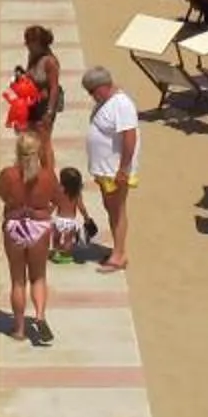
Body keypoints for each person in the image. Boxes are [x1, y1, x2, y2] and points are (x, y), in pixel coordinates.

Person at [0, 128, 62, 345]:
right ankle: (40, 316)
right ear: (38, 152)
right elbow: (57, 199)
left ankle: (20, 328)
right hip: (39, 226)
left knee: (18, 280)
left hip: (15, 225)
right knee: (38, 277)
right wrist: (45, 211)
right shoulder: (47, 176)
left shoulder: (9, 174)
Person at [81, 65, 140, 273]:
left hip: (115, 170)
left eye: (93, 91)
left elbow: (130, 137)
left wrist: (123, 169)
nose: (92, 96)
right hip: (105, 170)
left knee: (117, 210)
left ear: (103, 86)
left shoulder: (122, 105)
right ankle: (117, 249)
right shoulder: (106, 102)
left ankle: (119, 255)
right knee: (111, 208)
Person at [16, 26, 64, 171]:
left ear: (38, 43)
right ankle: (31, 172)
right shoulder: (32, 56)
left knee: (44, 143)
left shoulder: (50, 62)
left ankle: (48, 174)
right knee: (29, 140)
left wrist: (49, 112)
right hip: (32, 103)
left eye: (29, 42)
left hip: (44, 105)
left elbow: (54, 88)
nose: (26, 45)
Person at [52, 166, 89, 262]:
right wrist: (86, 217)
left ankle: (56, 253)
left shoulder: (59, 192)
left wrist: (48, 214)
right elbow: (81, 208)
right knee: (68, 240)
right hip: (70, 221)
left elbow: (54, 204)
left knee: (56, 238)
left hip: (58, 219)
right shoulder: (77, 194)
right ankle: (66, 255)